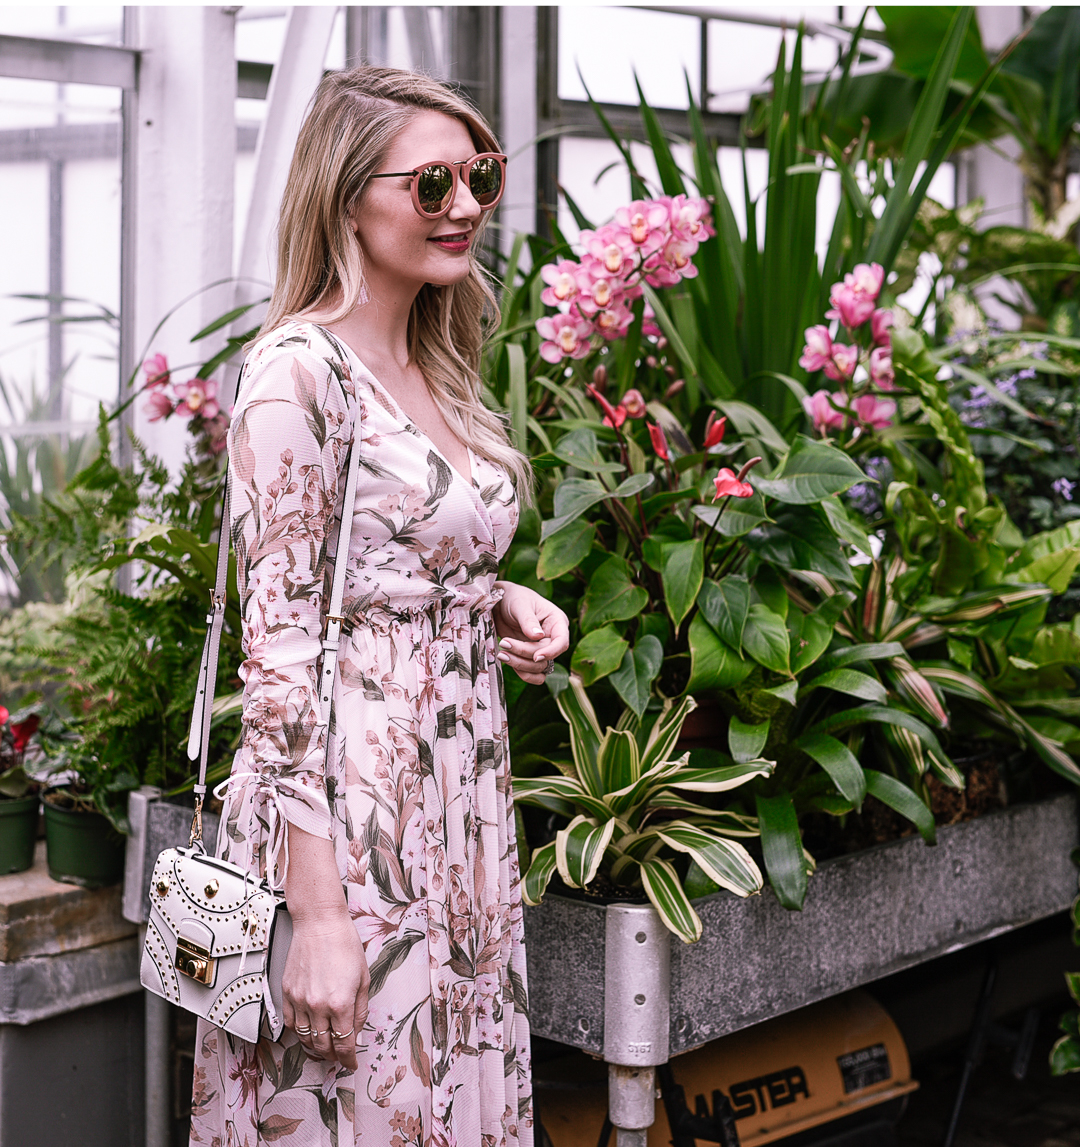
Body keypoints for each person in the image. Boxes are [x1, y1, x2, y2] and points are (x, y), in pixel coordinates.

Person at [189, 65, 569, 1147]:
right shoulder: (297, 374)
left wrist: (492, 599)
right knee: (363, 1102)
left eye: (481, 178)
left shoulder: (432, 360)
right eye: (433, 185)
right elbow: (279, 649)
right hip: (355, 817)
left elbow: (392, 561)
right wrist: (316, 915)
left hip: (455, 797)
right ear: (348, 193)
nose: (467, 210)